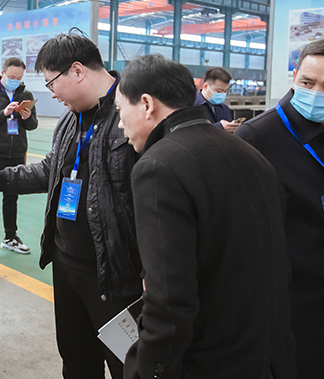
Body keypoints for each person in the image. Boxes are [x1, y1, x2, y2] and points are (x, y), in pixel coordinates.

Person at [0, 31, 141, 379]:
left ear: (77, 71)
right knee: (77, 361)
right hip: (66, 263)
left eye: (51, 83)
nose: (51, 93)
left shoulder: (132, 114)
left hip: (115, 274)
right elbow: (49, 170)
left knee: (129, 365)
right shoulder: (70, 118)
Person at [115, 55, 295, 379]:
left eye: (120, 110)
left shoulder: (158, 166)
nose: (119, 123)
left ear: (146, 104)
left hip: (207, 360)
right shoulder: (249, 153)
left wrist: (149, 370)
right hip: (263, 351)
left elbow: (169, 299)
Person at [236, 38, 324, 379]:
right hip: (287, 307)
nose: (316, 93)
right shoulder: (256, 138)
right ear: (294, 76)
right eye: (307, 82)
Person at [0, 57, 38, 260]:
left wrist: (27, 118)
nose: (15, 81)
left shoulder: (26, 95)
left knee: (12, 196)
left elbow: (33, 125)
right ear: (2, 73)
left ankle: (10, 237)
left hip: (17, 152)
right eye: (11, 77)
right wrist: (3, 113)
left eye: (19, 78)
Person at [194, 67, 237, 132]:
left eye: (225, 91)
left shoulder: (224, 109)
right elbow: (192, 132)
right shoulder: (192, 106)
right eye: (219, 91)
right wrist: (219, 127)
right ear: (205, 86)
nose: (222, 94)